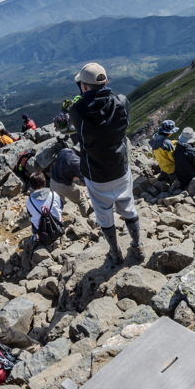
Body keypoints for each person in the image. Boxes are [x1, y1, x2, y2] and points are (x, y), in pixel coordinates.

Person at [68, 62, 143, 264]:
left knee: (103, 214)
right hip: (120, 167)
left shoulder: (76, 111)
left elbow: (72, 119)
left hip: (95, 172)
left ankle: (115, 252)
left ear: (83, 86)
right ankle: (137, 246)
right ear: (106, 81)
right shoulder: (122, 102)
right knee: (129, 208)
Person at [26, 172, 64, 240]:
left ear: (31, 186)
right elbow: (61, 207)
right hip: (57, 227)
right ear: (45, 182)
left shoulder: (29, 201)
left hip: (42, 232)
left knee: (33, 219)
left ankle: (35, 236)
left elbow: (30, 215)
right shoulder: (54, 195)